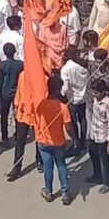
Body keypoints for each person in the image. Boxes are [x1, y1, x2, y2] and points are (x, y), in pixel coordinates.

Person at [34, 71, 74, 204]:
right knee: (61, 165)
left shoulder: (41, 105)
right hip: (59, 142)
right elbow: (68, 127)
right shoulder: (63, 108)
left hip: (43, 142)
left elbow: (35, 121)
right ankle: (65, 193)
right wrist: (75, 139)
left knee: (48, 167)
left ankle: (48, 192)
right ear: (57, 90)